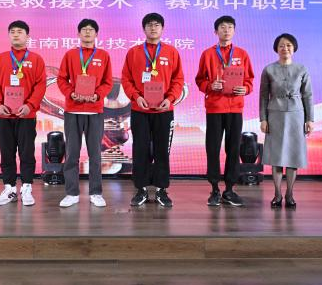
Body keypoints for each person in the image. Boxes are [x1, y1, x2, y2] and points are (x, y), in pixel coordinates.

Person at [121, 12, 184, 208]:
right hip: (140, 109)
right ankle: (140, 189)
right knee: (140, 150)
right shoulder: (133, 52)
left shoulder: (171, 52)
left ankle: (160, 189)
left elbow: (178, 80)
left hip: (164, 110)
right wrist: (136, 97)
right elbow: (126, 79)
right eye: (149, 25)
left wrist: (170, 98)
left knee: (162, 150)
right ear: (144, 29)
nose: (153, 28)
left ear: (162, 28)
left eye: (157, 24)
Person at [195, 15, 255, 207]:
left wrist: (245, 88)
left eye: (230, 27)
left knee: (233, 148)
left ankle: (229, 189)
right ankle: (214, 189)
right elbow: (199, 80)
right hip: (214, 107)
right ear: (216, 31)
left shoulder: (242, 54)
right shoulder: (207, 54)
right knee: (212, 148)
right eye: (222, 27)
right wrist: (210, 85)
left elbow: (249, 80)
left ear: (234, 31)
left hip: (235, 107)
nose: (226, 30)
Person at [0, 20, 47, 207]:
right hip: (4, 115)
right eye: (12, 31)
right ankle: (9, 188)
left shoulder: (36, 59)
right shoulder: (0, 59)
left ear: (27, 36)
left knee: (26, 153)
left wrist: (30, 105)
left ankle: (27, 187)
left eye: (20, 31)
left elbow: (40, 85)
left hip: (26, 116)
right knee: (6, 153)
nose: (15, 34)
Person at [56, 19, 114, 208]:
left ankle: (96, 193)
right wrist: (70, 93)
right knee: (72, 153)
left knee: (95, 154)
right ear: (78, 34)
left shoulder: (103, 55)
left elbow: (108, 82)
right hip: (73, 110)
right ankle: (71, 193)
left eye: (91, 30)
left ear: (96, 34)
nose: (87, 32)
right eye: (84, 30)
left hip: (94, 110)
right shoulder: (70, 55)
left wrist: (97, 95)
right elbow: (61, 79)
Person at [259, 33, 314, 209]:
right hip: (275, 115)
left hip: (296, 116)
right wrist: (263, 119)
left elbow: (308, 95)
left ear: (294, 48)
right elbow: (263, 96)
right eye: (282, 45)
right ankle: (277, 194)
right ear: (276, 48)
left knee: (292, 156)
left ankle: (290, 194)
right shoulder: (268, 69)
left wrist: (310, 119)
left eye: (289, 45)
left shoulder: (302, 69)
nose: (285, 48)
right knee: (276, 156)